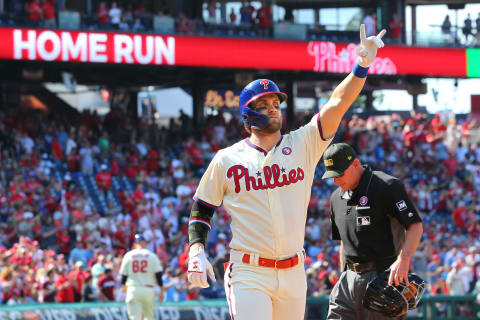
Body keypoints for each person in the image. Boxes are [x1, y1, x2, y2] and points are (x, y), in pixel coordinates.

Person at [186, 25, 386, 320]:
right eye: (264, 104)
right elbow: (202, 207)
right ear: (247, 113)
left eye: (276, 103)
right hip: (249, 271)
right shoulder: (227, 159)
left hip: (294, 271)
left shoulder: (303, 143)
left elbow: (338, 103)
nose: (273, 108)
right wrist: (196, 250)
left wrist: (362, 66)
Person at [322, 142, 423, 320]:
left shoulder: (386, 186)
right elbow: (344, 243)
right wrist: (343, 276)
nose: (335, 180)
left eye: (339, 174)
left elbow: (415, 225)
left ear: (355, 164)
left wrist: (404, 259)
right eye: (331, 175)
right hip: (348, 280)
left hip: (382, 278)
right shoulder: (335, 197)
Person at [119, 234, 164, 320]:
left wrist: (123, 286)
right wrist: (161, 291)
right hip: (148, 289)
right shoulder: (152, 255)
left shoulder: (128, 255)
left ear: (134, 244)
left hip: (133, 289)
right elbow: (158, 275)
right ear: (144, 243)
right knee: (149, 318)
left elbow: (124, 275)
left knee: (135, 318)